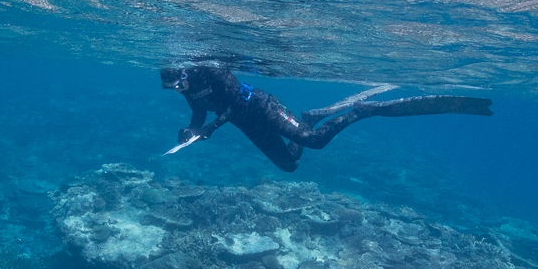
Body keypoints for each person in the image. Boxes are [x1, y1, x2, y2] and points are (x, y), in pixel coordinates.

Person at [161, 65, 493, 172]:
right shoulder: (189, 89)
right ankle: (308, 117)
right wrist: (191, 129)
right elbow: (199, 111)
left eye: (178, 84)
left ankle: (360, 112)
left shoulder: (214, 72)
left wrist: (211, 128)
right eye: (172, 89)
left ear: (185, 73)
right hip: (245, 123)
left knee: (315, 141)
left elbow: (232, 104)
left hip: (262, 108)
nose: (178, 90)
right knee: (290, 163)